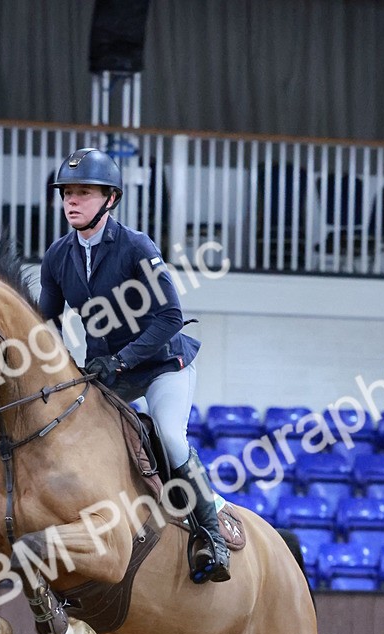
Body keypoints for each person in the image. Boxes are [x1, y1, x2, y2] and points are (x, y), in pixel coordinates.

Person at [38, 146, 230, 584]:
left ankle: (212, 536)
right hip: (106, 373)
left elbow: (170, 319)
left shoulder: (136, 246)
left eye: (83, 192)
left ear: (110, 199)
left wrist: (121, 361)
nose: (71, 200)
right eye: (67, 192)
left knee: (169, 437)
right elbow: (46, 325)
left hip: (163, 365)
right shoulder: (57, 256)